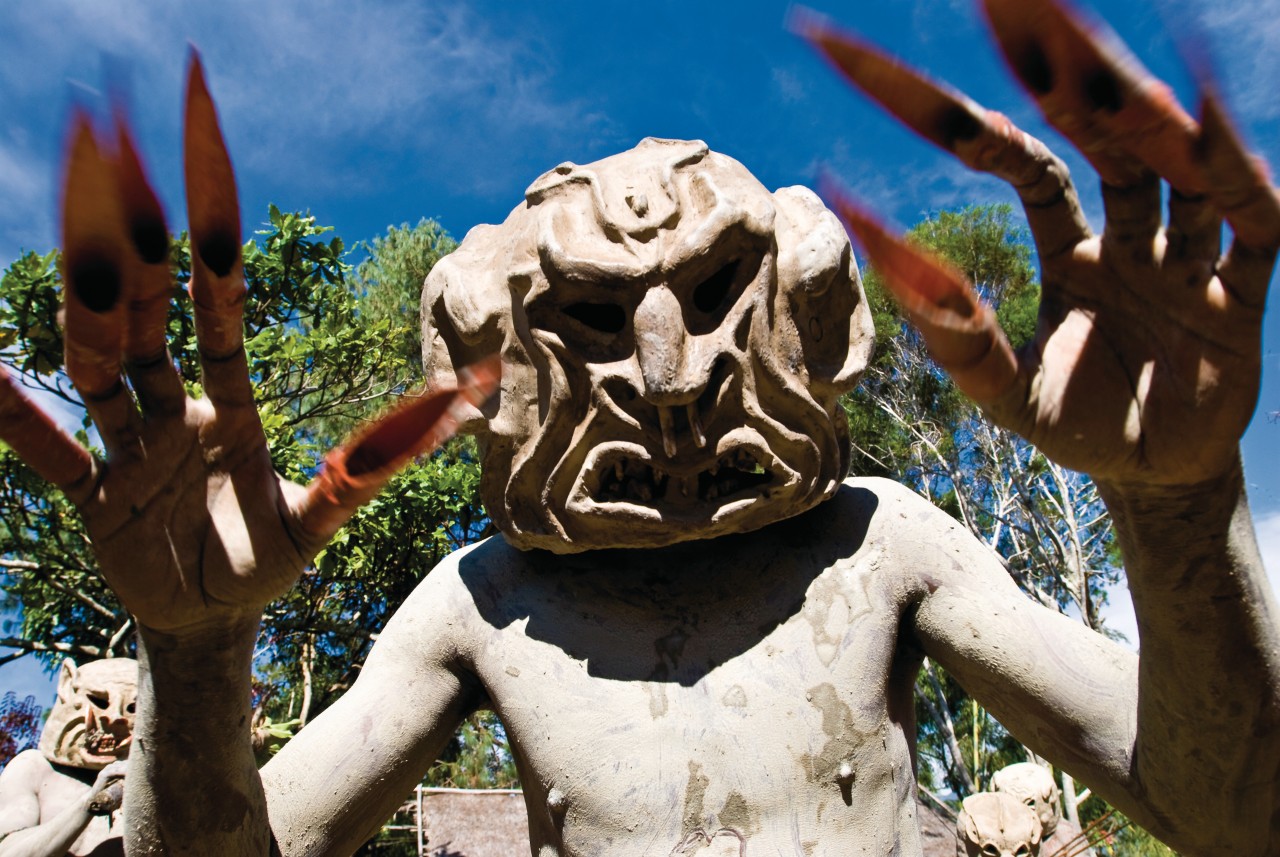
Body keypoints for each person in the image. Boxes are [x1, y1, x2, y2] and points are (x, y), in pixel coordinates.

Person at [1, 1, 1276, 854]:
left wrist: (1174, 505)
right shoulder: (478, 604)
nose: (666, 378)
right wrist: (197, 649)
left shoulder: (883, 543)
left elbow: (1231, 809)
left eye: (716, 294)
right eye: (597, 319)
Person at [0, 659, 135, 857]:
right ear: (66, 684)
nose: (114, 717)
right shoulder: (34, 767)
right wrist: (88, 803)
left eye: (133, 708)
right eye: (99, 701)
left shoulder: (157, 789)